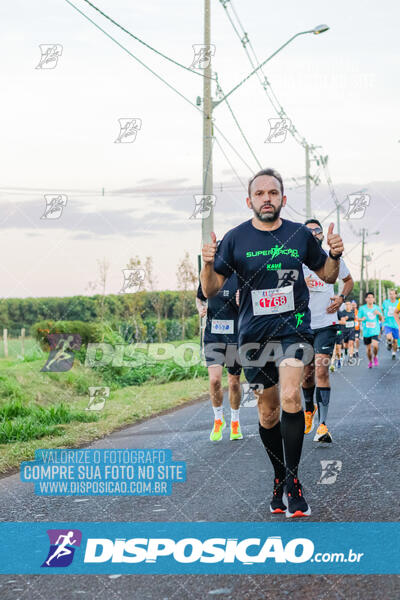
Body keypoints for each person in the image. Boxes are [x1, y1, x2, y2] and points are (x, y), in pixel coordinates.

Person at [200, 168, 344, 518]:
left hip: (294, 329)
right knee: (267, 413)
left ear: (283, 198)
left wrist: (335, 255)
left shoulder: (298, 235)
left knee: (292, 395)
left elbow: (326, 274)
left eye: (273, 193)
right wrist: (207, 264)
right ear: (250, 201)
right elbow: (210, 290)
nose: (267, 198)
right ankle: (279, 477)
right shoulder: (235, 239)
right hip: (252, 336)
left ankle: (294, 482)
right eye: (260, 193)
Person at [302, 219, 353, 444]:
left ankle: (323, 425)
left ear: (322, 235)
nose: (313, 233)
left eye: (317, 230)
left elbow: (348, 281)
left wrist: (341, 297)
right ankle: (308, 409)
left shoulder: (332, 258)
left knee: (321, 369)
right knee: (306, 373)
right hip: (302, 324)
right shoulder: (296, 261)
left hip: (327, 322)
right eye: (309, 231)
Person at [196, 270, 243, 442]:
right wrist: (201, 307)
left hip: (234, 336)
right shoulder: (208, 276)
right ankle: (218, 419)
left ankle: (235, 421)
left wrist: (243, 302)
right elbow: (199, 297)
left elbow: (251, 303)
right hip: (213, 336)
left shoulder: (239, 277)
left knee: (234, 382)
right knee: (214, 380)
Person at [357, 292, 384, 368]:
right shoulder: (362, 308)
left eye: (371, 297)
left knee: (375, 345)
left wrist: (378, 314)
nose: (370, 299)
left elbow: (382, 319)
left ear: (374, 299)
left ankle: (375, 356)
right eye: (368, 297)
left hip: (375, 330)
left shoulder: (377, 308)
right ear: (366, 299)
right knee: (368, 350)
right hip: (366, 332)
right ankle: (370, 361)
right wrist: (362, 319)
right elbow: (358, 318)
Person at [338, 300, 357, 364]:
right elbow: (341, 320)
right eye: (346, 304)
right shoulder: (342, 312)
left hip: (351, 330)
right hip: (344, 330)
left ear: (351, 305)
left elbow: (355, 318)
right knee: (345, 345)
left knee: (351, 343)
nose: (347, 305)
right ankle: (345, 350)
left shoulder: (353, 312)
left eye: (349, 304)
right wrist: (345, 319)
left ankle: (350, 357)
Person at [382, 289, 399, 360]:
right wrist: (383, 318)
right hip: (387, 324)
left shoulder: (398, 303)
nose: (392, 295)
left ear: (396, 295)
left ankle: (394, 353)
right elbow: (382, 310)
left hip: (396, 324)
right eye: (390, 294)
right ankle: (389, 343)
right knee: (389, 337)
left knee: (395, 341)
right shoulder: (385, 302)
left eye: (393, 294)